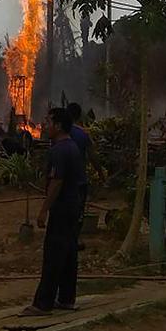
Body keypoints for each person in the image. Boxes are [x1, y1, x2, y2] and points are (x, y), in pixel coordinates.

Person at [22, 107, 84, 316]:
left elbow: (56, 182)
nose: (44, 125)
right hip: (73, 206)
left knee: (54, 255)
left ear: (58, 126)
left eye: (48, 122)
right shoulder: (73, 147)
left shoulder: (59, 150)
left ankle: (43, 303)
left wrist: (43, 211)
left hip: (61, 208)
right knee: (69, 254)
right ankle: (66, 298)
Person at [67, 102, 104, 244]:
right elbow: (93, 156)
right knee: (78, 213)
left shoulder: (60, 133)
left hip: (63, 181)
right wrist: (100, 173)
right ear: (79, 116)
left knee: (62, 212)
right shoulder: (83, 134)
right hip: (79, 181)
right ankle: (74, 240)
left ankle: (64, 240)